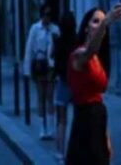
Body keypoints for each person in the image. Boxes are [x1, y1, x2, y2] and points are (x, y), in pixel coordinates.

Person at [66, 4, 121, 165]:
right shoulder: (78, 54)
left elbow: (99, 100)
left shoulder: (98, 57)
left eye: (102, 21)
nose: (100, 24)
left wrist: (106, 137)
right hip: (85, 121)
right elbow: (89, 51)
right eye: (96, 21)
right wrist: (106, 23)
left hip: (97, 119)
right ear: (86, 27)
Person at [25, 5, 61, 139]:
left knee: (50, 96)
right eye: (45, 15)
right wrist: (27, 69)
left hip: (50, 66)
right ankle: (42, 128)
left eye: (49, 15)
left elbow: (58, 48)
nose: (47, 17)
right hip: (39, 64)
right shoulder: (35, 29)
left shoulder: (55, 29)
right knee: (41, 96)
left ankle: (51, 128)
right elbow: (29, 48)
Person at [51, 11, 77, 160]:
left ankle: (60, 152)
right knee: (78, 117)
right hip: (76, 82)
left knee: (61, 120)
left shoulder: (58, 41)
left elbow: (52, 57)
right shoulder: (77, 41)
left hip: (62, 82)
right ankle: (77, 150)